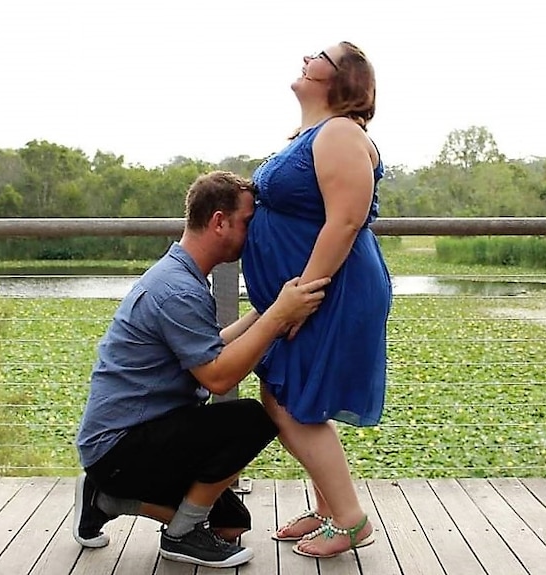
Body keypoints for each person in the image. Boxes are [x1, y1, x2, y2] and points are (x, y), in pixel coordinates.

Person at [74, 170, 330, 568]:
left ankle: (105, 499)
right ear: (218, 221)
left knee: (232, 524)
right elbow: (218, 377)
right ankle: (182, 535)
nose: (252, 233)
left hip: (141, 438)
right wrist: (278, 317)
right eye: (247, 222)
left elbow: (209, 348)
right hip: (119, 446)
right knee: (251, 420)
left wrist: (267, 309)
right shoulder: (177, 289)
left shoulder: (183, 276)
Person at [241, 41, 391, 559]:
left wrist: (303, 293)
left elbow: (346, 219)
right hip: (312, 290)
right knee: (293, 396)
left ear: (342, 78)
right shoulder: (310, 136)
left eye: (319, 55)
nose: (306, 57)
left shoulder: (341, 133)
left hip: (331, 291)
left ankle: (349, 518)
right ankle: (329, 508)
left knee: (291, 401)